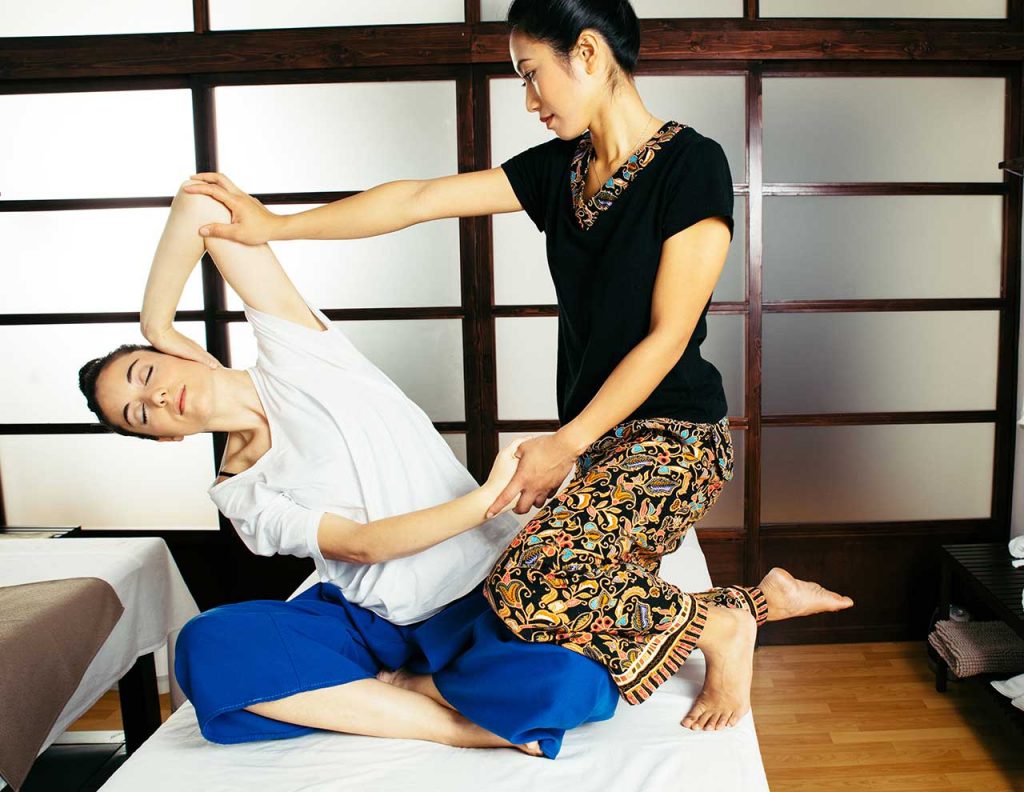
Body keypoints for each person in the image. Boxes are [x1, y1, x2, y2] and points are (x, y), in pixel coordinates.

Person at [180, 0, 854, 735]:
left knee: (531, 581)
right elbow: (417, 200)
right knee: (537, 602)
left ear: (588, 54)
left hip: (676, 438)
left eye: (532, 75)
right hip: (599, 447)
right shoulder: (559, 170)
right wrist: (277, 224)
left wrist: (563, 444)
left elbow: (667, 338)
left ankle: (725, 626)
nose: (529, 100)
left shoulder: (693, 164)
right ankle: (752, 604)